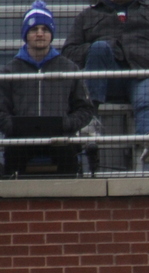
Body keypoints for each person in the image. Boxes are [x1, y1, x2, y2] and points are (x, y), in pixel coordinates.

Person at [61, 0, 149, 145]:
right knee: (99, 47)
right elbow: (68, 54)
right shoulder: (87, 16)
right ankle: (89, 123)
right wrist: (97, 50)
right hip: (105, 80)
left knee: (147, 95)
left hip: (143, 76)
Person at [0, 1, 94, 177]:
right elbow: (1, 110)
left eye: (45, 29)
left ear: (52, 34)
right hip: (21, 142)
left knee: (69, 163)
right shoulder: (9, 71)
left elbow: (85, 109)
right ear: (26, 34)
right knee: (11, 167)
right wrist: (13, 127)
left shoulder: (69, 68)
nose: (40, 34)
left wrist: (65, 124)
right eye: (34, 30)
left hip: (60, 141)